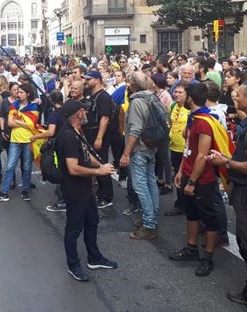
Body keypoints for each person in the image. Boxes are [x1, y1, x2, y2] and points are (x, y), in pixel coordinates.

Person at [208, 81, 247, 312]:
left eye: (239, 95)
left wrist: (226, 162)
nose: (235, 97)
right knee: (246, 243)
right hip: (246, 192)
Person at [55, 100, 117, 282]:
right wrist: (99, 172)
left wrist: (102, 164)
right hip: (74, 190)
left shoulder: (77, 132)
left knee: (92, 221)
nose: (87, 113)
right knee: (74, 228)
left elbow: (85, 154)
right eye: (84, 110)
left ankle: (94, 257)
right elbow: (73, 168)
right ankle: (73, 265)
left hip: (85, 188)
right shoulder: (67, 136)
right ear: (78, 114)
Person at [169, 83, 222, 277]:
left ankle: (207, 257)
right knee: (191, 213)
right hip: (189, 174)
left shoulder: (204, 122)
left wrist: (192, 181)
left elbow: (202, 155)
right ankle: (191, 248)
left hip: (202, 178)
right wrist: (181, 171)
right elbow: (188, 150)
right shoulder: (193, 118)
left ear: (190, 99)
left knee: (208, 217)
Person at [119, 72, 159, 240]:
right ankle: (151, 218)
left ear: (133, 84)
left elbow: (135, 129)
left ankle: (149, 224)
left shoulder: (136, 102)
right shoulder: (153, 98)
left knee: (141, 186)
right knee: (151, 183)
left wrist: (126, 153)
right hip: (151, 146)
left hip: (139, 149)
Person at [0, 83, 39, 203]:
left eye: (22, 92)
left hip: (28, 141)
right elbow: (10, 123)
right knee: (10, 166)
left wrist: (17, 120)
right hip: (15, 140)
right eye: (18, 92)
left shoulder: (33, 106)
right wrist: (22, 121)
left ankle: (25, 190)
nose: (19, 94)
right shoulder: (14, 105)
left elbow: (32, 124)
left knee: (27, 167)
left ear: (28, 94)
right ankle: (4, 192)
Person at [82, 70, 115, 208]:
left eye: (89, 79)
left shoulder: (103, 97)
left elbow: (105, 118)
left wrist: (99, 138)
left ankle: (107, 196)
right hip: (90, 135)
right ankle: (101, 192)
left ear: (97, 80)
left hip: (98, 137)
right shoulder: (92, 96)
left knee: (102, 164)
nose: (86, 82)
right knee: (96, 164)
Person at [165, 83, 191, 217]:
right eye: (176, 92)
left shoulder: (189, 110)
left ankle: (188, 205)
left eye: (181, 92)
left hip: (185, 149)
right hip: (173, 147)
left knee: (187, 178)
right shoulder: (173, 106)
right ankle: (180, 204)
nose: (177, 95)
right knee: (178, 178)